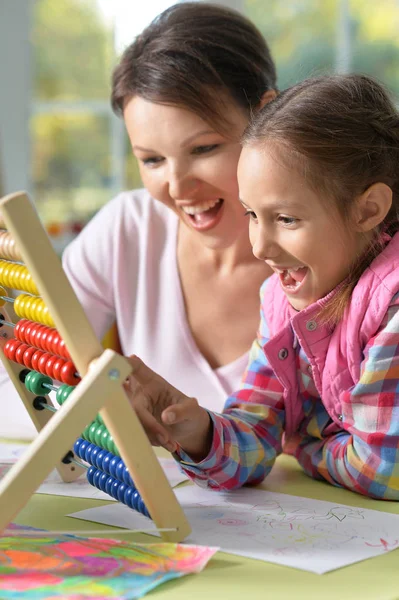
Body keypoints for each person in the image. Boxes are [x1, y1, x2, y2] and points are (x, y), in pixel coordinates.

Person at [0, 2, 276, 438]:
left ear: (266, 116)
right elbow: (21, 388)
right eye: (152, 160)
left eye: (204, 149)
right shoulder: (128, 231)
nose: (178, 187)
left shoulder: (334, 255)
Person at [125, 73, 399, 500]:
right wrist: (197, 431)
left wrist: (305, 446)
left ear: (368, 210)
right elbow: (257, 431)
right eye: (252, 214)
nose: (260, 246)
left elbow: (385, 469)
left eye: (286, 219)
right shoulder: (282, 301)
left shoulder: (392, 305)